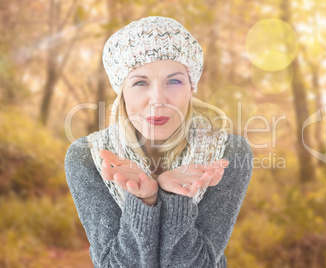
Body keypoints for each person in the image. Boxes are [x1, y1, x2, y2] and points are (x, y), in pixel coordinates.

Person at [64, 16, 253, 268]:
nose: (158, 99)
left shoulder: (227, 153)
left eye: (173, 81)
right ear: (122, 91)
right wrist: (144, 201)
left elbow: (201, 264)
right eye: (140, 83)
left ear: (191, 87)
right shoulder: (87, 156)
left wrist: (176, 198)